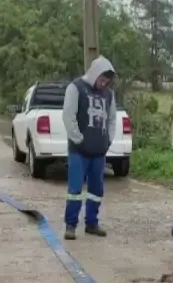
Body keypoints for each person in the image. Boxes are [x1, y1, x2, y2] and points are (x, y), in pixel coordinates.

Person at [62, 56, 118, 240]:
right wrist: (78, 139)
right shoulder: (76, 88)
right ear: (95, 74)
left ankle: (92, 223)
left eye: (107, 81)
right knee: (75, 189)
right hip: (79, 151)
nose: (104, 84)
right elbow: (68, 116)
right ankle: (70, 225)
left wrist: (108, 140)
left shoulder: (109, 94)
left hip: (99, 151)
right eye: (102, 79)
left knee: (96, 190)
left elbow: (111, 119)